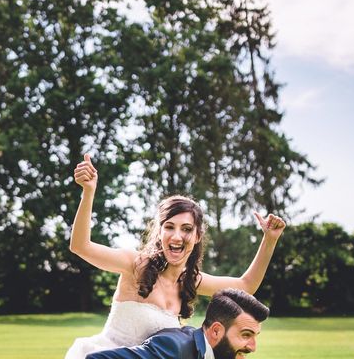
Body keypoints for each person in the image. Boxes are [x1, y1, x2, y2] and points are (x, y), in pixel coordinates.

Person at [65, 154, 285, 358]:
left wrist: (270, 239)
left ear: (198, 235)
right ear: (159, 232)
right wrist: (88, 191)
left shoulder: (190, 280)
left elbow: (245, 285)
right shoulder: (136, 265)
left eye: (187, 229)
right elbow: (81, 246)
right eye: (169, 227)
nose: (177, 236)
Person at [87, 288, 270, 359]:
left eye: (255, 336)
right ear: (216, 331)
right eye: (246, 335)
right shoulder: (173, 349)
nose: (253, 347)